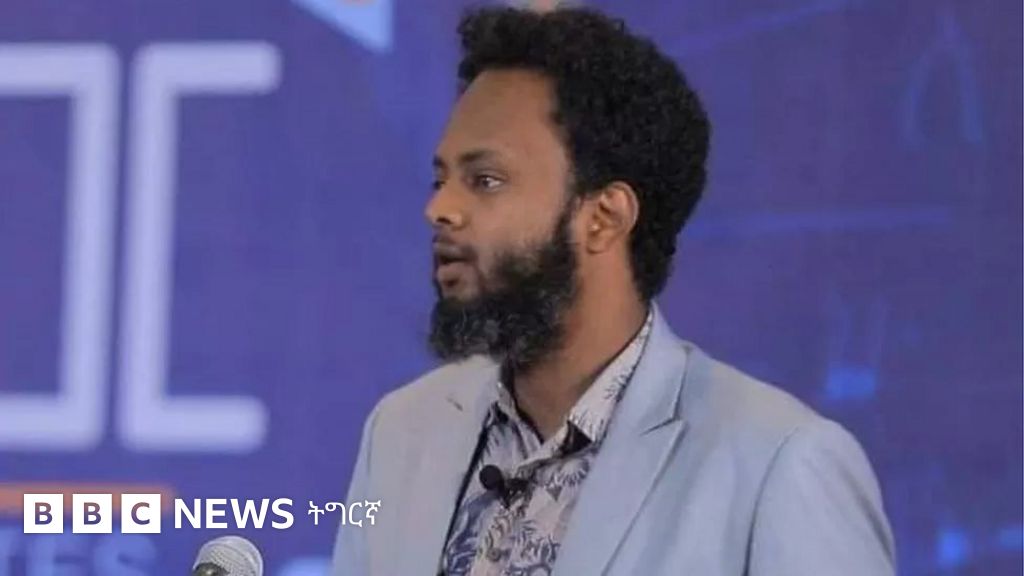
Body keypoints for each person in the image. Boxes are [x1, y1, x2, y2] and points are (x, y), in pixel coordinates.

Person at [331, 6, 894, 576]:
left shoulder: (778, 462)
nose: (439, 207)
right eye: (440, 179)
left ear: (604, 218)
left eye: (486, 180)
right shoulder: (401, 430)